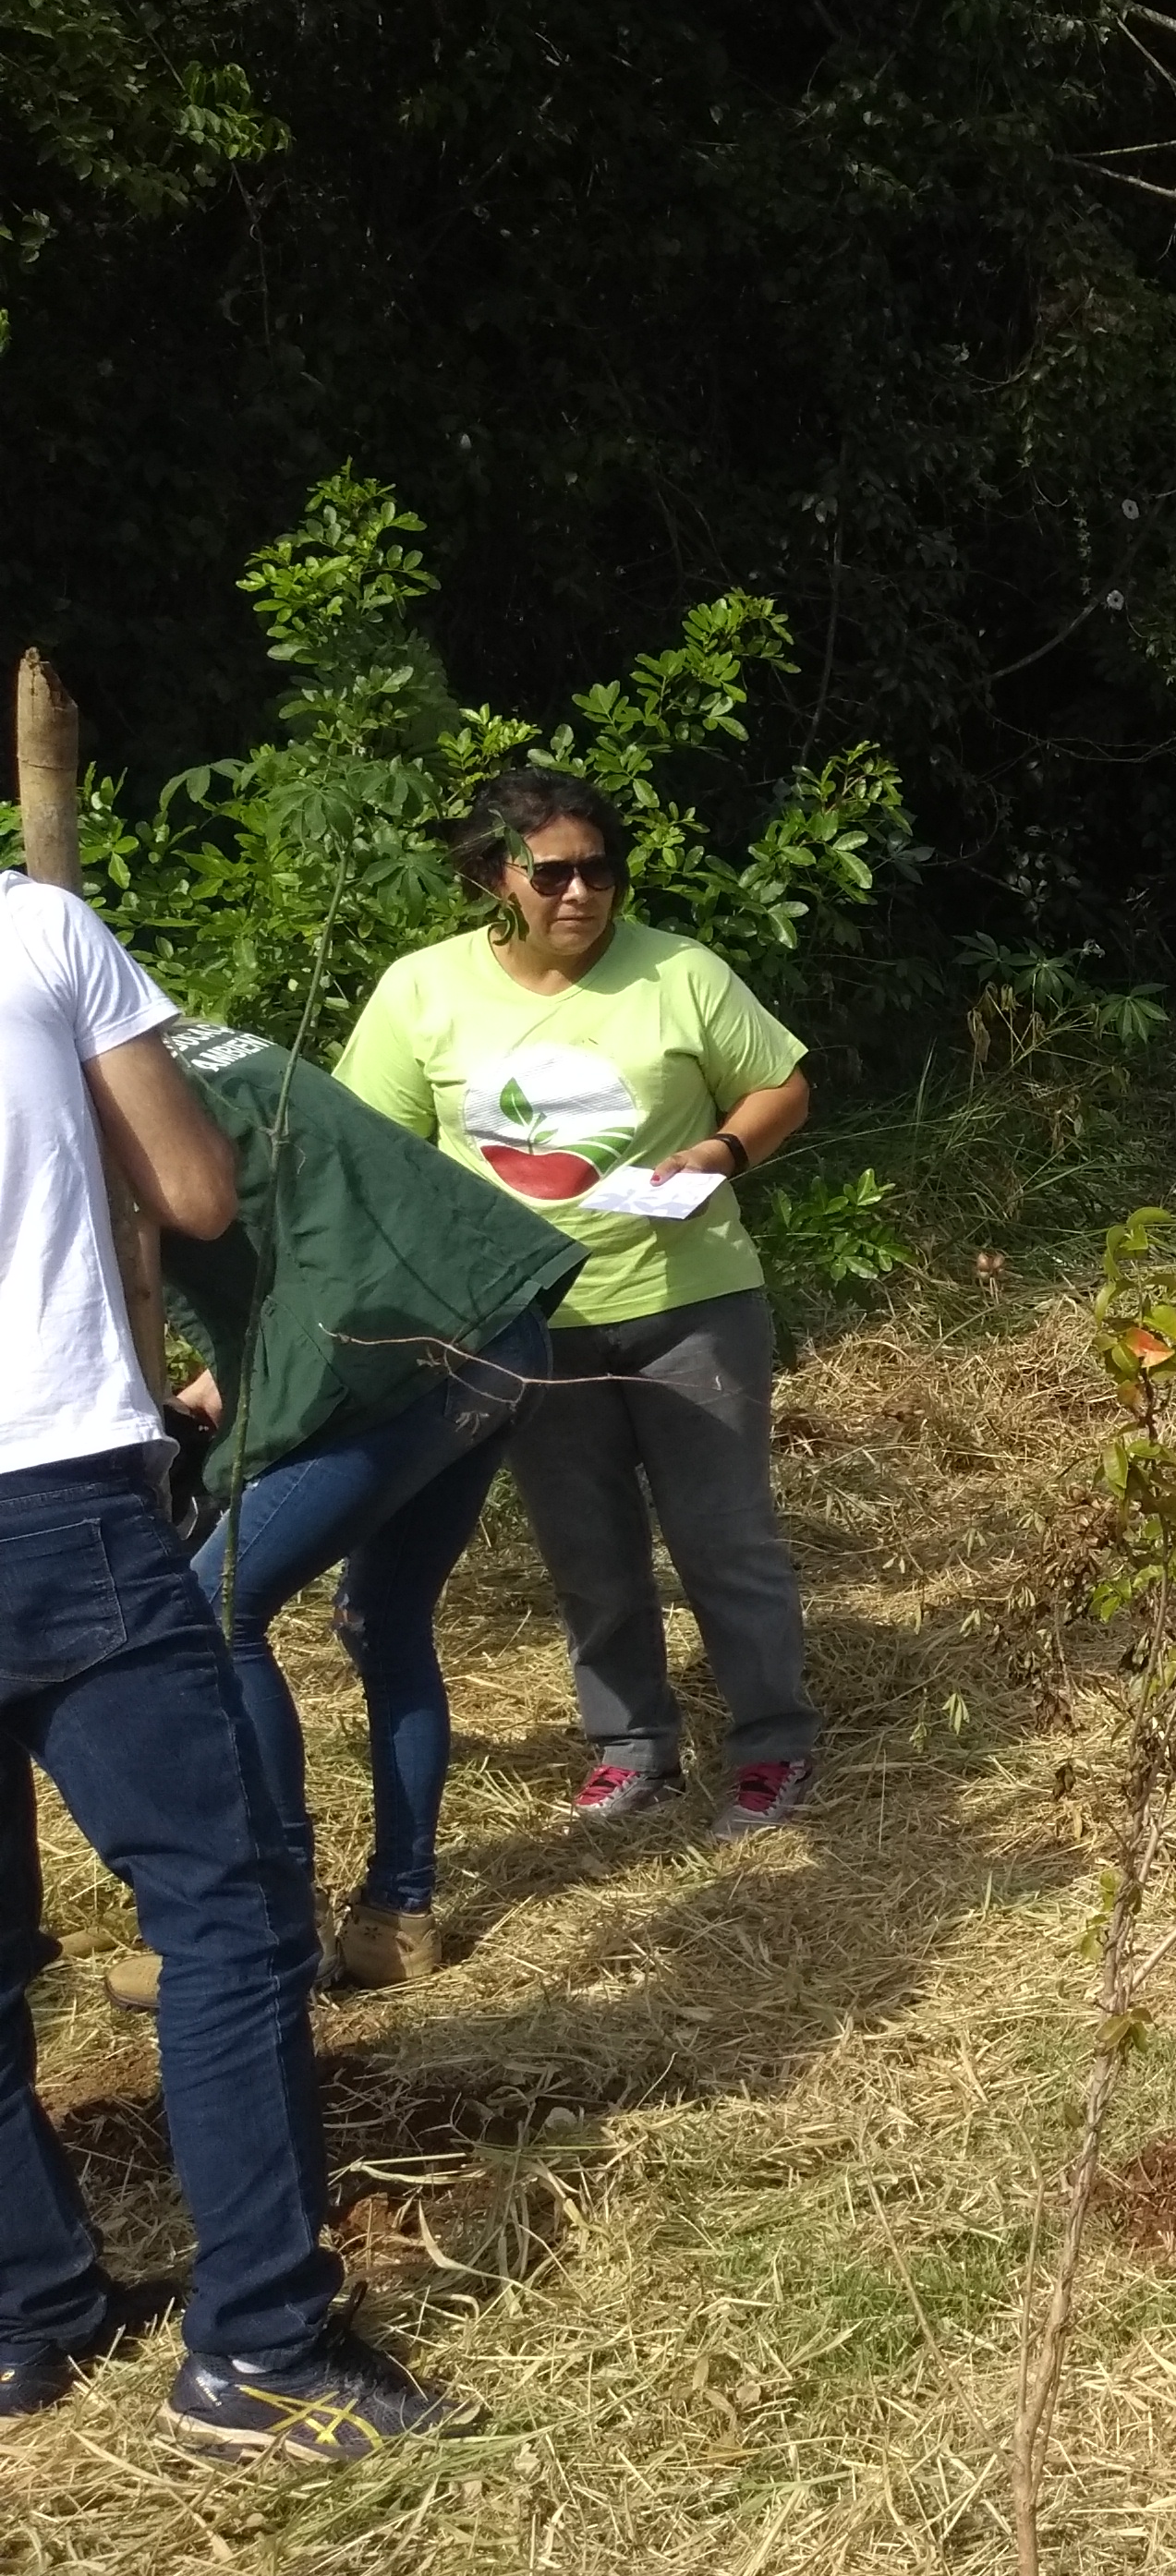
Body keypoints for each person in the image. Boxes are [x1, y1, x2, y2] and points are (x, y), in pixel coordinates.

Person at [0, 866, 459, 2455]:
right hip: (47, 1495)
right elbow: (195, 1190)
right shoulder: (39, 933)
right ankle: (261, 2342)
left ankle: (28, 2310)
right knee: (226, 1909)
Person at [340, 768, 823, 1839]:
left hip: (689, 1300)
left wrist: (721, 1150)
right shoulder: (423, 991)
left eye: (597, 868)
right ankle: (631, 1748)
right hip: (527, 1323)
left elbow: (782, 1082)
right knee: (586, 1548)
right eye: (550, 872)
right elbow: (369, 1149)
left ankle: (772, 1746)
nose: (578, 893)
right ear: (493, 876)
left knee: (722, 1534)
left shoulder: (681, 974)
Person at [115, 1018, 587, 2002]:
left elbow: (147, 1261)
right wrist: (221, 1387)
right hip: (493, 1326)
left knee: (213, 1611)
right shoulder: (191, 1042)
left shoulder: (102, 1094)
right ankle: (395, 1921)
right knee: (382, 1619)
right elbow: (317, 1226)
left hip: (405, 1365)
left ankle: (266, 1928)